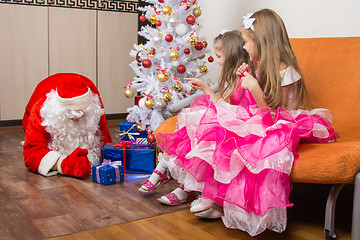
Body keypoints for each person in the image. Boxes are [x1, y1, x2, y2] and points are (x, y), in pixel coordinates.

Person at [138, 30, 252, 206]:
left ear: (231, 55)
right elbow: (222, 103)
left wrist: (207, 90)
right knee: (189, 122)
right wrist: (206, 88)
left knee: (197, 123)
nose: (218, 61)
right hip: (226, 116)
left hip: (236, 123)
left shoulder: (243, 76)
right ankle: (164, 172)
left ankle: (183, 186)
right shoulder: (229, 75)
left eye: (220, 56)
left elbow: (231, 109)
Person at [23, 73, 112, 177]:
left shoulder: (95, 109)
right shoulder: (43, 111)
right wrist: (62, 164)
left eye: (83, 114)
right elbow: (32, 154)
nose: (78, 119)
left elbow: (106, 142)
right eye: (72, 115)